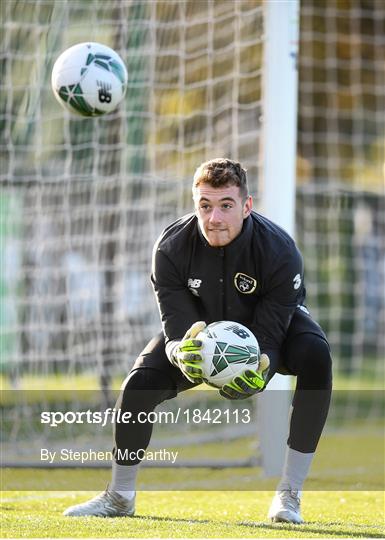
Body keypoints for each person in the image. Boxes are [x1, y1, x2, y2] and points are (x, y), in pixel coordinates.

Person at [64, 158, 332, 523]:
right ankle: (119, 496)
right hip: (199, 335)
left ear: (247, 206)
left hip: (267, 331)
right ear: (195, 204)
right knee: (139, 383)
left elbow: (271, 336)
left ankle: (289, 496)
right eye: (205, 206)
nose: (214, 218)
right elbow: (176, 326)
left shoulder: (280, 252)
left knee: (316, 355)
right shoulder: (170, 248)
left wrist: (259, 372)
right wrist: (178, 352)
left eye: (226, 206)